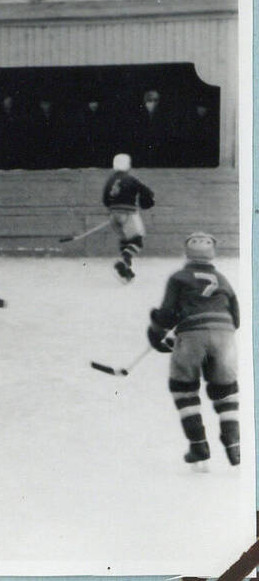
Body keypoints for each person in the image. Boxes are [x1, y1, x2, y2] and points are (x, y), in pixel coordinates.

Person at [148, 231, 239, 467]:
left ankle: (199, 445)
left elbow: (167, 314)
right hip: (224, 335)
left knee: (184, 388)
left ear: (187, 253)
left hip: (192, 336)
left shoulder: (179, 277)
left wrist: (157, 334)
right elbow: (236, 317)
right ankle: (233, 444)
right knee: (225, 391)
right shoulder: (223, 278)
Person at [102, 153, 154, 283]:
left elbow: (105, 200)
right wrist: (145, 202)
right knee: (137, 240)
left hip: (113, 216)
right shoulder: (131, 179)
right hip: (128, 214)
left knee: (125, 241)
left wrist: (114, 209)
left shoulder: (110, 181)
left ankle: (126, 272)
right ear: (128, 165)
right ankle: (124, 261)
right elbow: (147, 192)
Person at [129, 89, 173, 166]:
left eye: (155, 100)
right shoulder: (137, 116)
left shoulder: (164, 117)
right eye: (150, 100)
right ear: (145, 101)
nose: (153, 103)